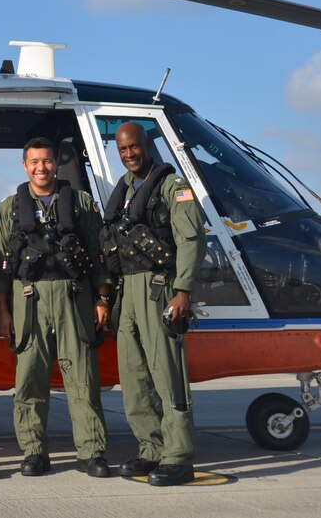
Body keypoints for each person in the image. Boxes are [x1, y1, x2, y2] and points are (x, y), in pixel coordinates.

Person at [0, 137, 112, 478]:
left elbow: (99, 254)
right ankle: (33, 452)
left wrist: (102, 298)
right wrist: (3, 311)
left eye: (47, 161)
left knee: (83, 378)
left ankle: (92, 452)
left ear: (56, 163)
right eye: (34, 162)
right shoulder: (9, 208)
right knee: (30, 380)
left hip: (75, 298)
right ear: (25, 165)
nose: (41, 167)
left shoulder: (81, 204)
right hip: (29, 301)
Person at [100, 122, 206, 487]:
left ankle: (178, 456)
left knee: (166, 374)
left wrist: (184, 291)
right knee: (134, 376)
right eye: (123, 149)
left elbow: (191, 241)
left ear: (148, 145)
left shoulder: (173, 188)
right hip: (128, 291)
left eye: (135, 147)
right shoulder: (127, 190)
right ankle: (151, 448)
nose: (129, 154)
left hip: (159, 289)